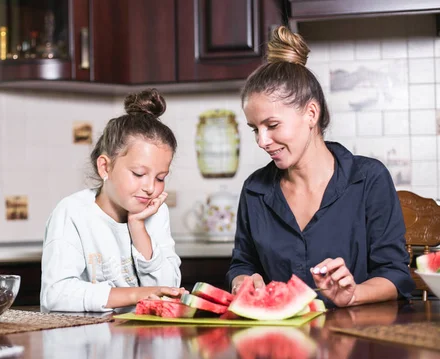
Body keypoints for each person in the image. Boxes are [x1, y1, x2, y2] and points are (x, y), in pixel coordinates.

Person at [226, 26, 415, 308]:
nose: (262, 141)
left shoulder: (368, 180)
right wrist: (241, 280)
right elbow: (243, 262)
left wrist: (353, 295)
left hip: (356, 342)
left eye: (272, 125)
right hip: (279, 346)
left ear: (311, 113)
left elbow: (395, 274)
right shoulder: (254, 190)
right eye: (255, 128)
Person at [41, 88, 183, 312]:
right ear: (105, 166)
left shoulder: (155, 213)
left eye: (160, 178)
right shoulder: (72, 212)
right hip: (85, 340)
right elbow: (56, 294)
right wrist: (137, 294)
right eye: (138, 174)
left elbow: (168, 290)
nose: (149, 188)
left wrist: (138, 228)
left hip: (141, 340)